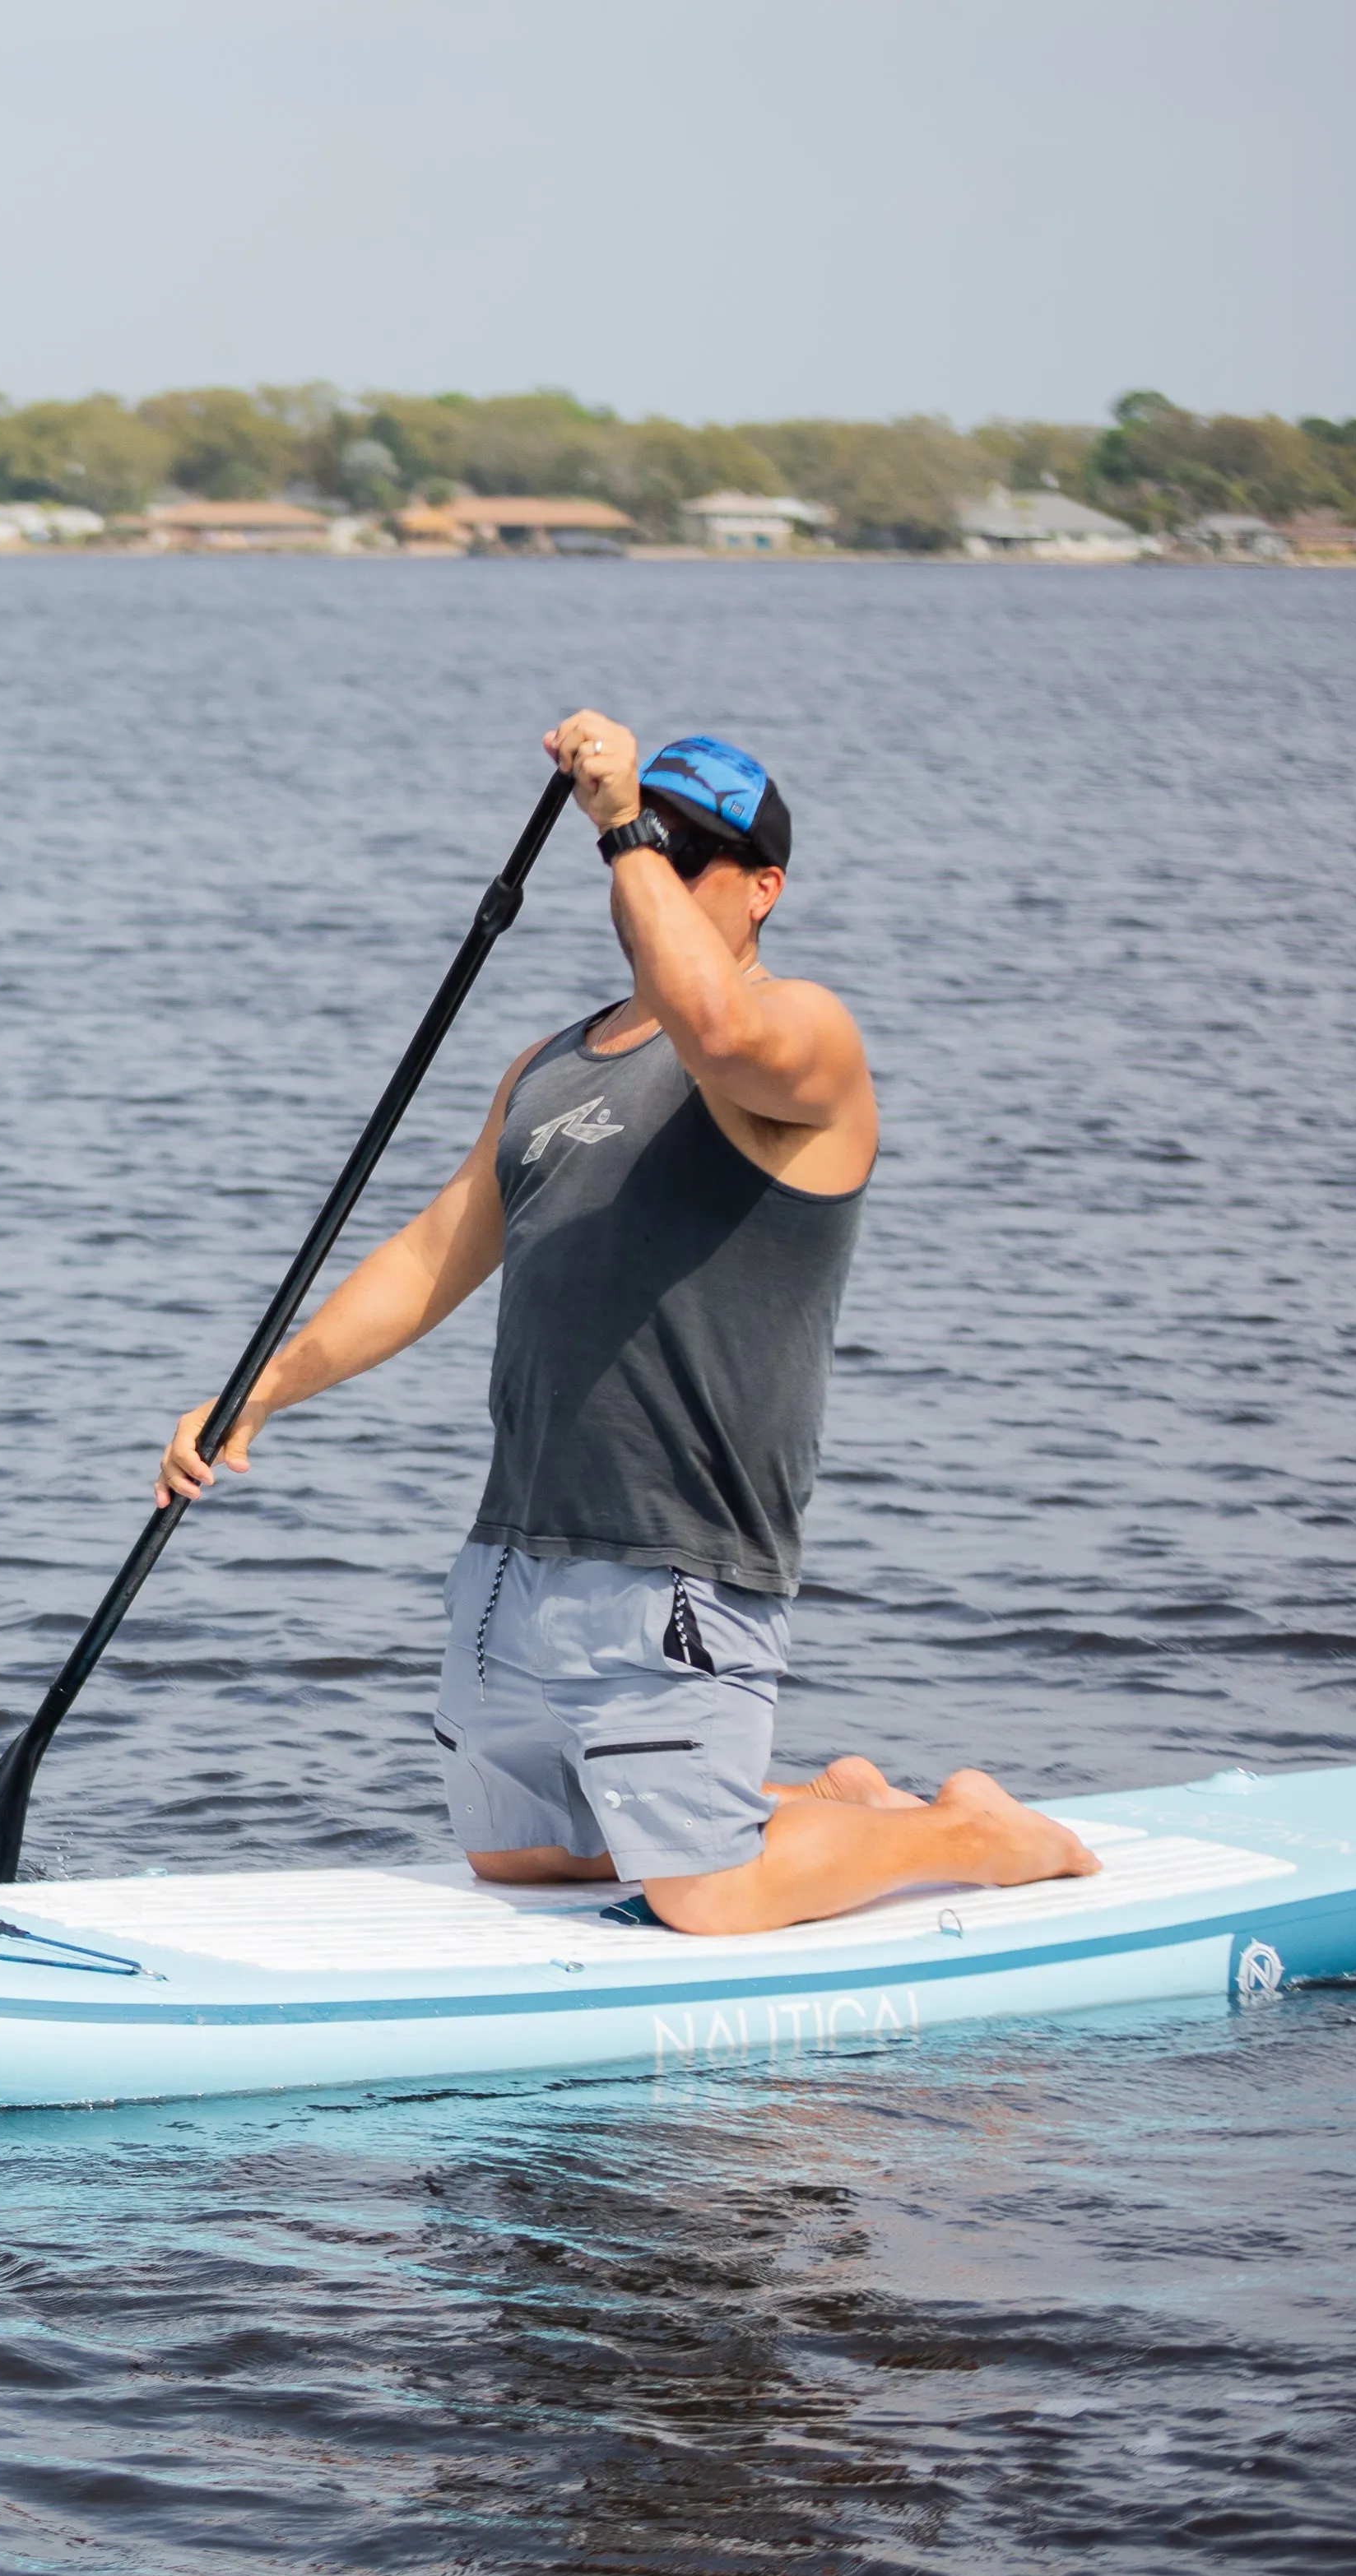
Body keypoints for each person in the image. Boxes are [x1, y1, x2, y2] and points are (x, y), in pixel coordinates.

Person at [156, 716, 1098, 1934]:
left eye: (682, 849)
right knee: (525, 1855)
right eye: (647, 834)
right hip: (511, 1560)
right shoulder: (550, 1067)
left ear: (764, 892)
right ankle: (831, 1803)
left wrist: (617, 825)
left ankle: (971, 1831)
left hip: (675, 1565)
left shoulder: (804, 1040)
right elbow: (437, 1253)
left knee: (702, 1898)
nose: (649, 862)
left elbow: (711, 1028)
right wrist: (260, 1393)